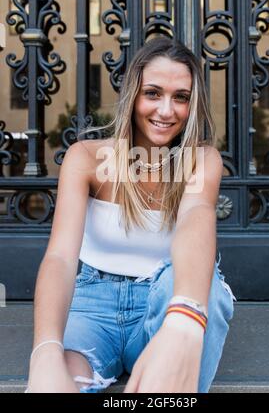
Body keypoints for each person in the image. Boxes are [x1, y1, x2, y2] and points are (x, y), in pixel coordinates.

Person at [26, 36, 236, 393]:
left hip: (165, 301)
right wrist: (44, 352)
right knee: (57, 382)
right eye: (153, 93)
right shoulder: (86, 158)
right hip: (93, 304)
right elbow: (61, 257)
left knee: (206, 289)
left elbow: (196, 217)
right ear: (133, 96)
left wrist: (184, 319)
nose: (166, 110)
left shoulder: (203, 161)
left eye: (180, 97)